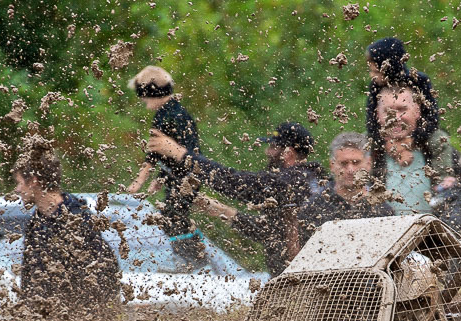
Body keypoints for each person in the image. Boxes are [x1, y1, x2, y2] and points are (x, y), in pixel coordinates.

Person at [148, 120, 324, 274]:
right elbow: (273, 234)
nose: (267, 152)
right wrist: (225, 212)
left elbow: (233, 181)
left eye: (272, 147)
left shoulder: (288, 182)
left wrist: (180, 154)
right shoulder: (311, 181)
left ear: (288, 153)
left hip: (302, 281)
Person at [13, 144, 122, 318]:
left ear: (33, 181)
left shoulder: (77, 219)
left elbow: (104, 271)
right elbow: (30, 277)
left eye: (19, 183)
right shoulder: (35, 224)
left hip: (82, 320)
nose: (17, 190)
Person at [124, 65, 206, 265]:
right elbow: (171, 155)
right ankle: (191, 257)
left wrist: (139, 181)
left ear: (151, 93)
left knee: (172, 216)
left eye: (143, 97)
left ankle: (193, 259)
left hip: (187, 176)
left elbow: (154, 152)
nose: (143, 101)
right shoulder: (176, 111)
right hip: (187, 174)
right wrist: (162, 178)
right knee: (173, 215)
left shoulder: (165, 115)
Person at [368, 82, 456, 214]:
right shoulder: (365, 148)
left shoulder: (437, 146)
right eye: (388, 111)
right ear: (377, 114)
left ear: (417, 111)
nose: (395, 117)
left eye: (402, 109)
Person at [295, 132, 395, 248]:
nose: (350, 169)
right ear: (332, 165)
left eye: (356, 162)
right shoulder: (313, 208)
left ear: (368, 163)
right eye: (343, 163)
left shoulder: (383, 211)